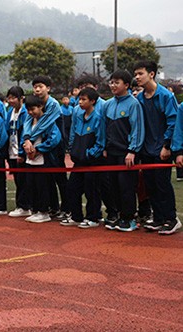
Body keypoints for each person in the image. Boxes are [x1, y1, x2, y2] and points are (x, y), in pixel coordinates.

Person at [133, 60, 179, 235]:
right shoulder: (140, 99)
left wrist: (167, 146)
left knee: (162, 185)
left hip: (162, 149)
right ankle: (158, 218)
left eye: (140, 73)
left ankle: (171, 219)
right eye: (135, 74)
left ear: (151, 74)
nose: (137, 77)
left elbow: (173, 122)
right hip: (146, 149)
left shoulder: (165, 96)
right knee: (150, 185)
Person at [104, 70, 144, 232]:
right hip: (111, 152)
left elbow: (137, 129)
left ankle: (129, 218)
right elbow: (104, 128)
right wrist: (105, 148)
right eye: (111, 82)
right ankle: (120, 216)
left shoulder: (133, 104)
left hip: (126, 153)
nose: (113, 85)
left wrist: (132, 151)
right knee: (113, 185)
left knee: (126, 186)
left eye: (117, 82)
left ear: (126, 85)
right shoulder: (108, 104)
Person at [21, 76, 66, 219]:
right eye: (35, 87)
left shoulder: (53, 105)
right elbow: (27, 123)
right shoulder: (31, 106)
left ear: (48, 88)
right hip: (37, 150)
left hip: (55, 148)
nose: (38, 89)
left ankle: (66, 209)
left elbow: (45, 124)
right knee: (45, 182)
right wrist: (27, 140)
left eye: (40, 86)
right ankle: (51, 208)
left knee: (60, 179)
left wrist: (33, 145)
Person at [60, 87, 105, 228]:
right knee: (72, 188)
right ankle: (76, 216)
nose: (80, 102)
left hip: (91, 162)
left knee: (91, 190)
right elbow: (73, 134)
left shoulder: (97, 118)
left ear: (92, 101)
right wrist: (73, 151)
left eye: (84, 99)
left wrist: (89, 154)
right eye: (79, 99)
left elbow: (100, 142)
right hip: (78, 162)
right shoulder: (79, 117)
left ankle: (93, 217)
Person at [5, 86, 31, 217]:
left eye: (13, 98)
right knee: (17, 179)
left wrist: (21, 153)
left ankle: (24, 206)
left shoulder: (25, 112)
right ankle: (22, 205)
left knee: (23, 180)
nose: (11, 100)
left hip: (20, 151)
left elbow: (25, 132)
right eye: (9, 98)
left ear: (21, 98)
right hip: (11, 150)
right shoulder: (10, 112)